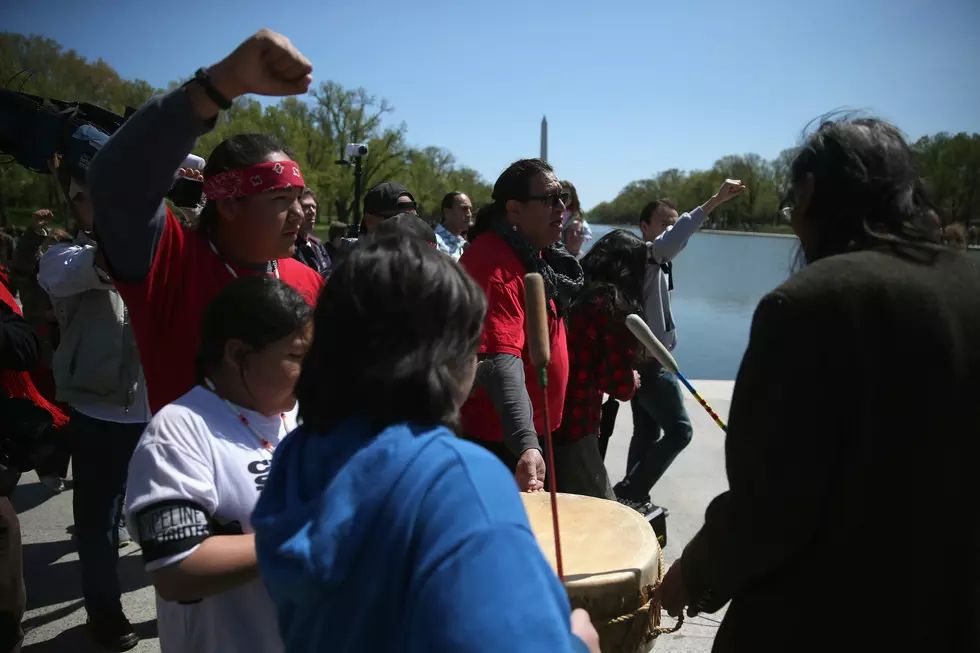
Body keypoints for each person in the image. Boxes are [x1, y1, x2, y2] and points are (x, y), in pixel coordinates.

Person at [658, 117, 980, 653]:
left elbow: (771, 504)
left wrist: (692, 576)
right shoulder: (969, 284)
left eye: (791, 207)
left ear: (810, 193)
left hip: (827, 620)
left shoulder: (810, 304)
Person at [251, 237, 600, 653]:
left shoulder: (298, 454)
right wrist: (580, 643)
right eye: (476, 346)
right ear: (449, 359)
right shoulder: (457, 479)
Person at [88, 28, 323, 414]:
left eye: (299, 198)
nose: (299, 213)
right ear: (229, 205)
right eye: (281, 199)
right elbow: (115, 184)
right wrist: (220, 85)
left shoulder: (308, 281)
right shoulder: (171, 265)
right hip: (191, 471)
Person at [124, 274, 312, 653]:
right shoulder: (179, 431)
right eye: (294, 357)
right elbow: (177, 569)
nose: (309, 371)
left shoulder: (296, 416)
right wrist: (315, 536)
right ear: (238, 354)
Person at [37, 130, 151, 652]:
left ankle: (185, 601)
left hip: (163, 408)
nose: (96, 204)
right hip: (99, 411)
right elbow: (92, 269)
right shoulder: (63, 257)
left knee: (170, 511)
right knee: (97, 523)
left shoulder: (163, 241)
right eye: (85, 196)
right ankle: (104, 612)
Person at [614, 182, 744, 514]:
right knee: (681, 430)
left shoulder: (655, 261)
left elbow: (679, 239)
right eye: (664, 224)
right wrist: (715, 200)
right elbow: (683, 232)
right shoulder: (648, 255)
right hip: (651, 363)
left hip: (642, 359)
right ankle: (631, 488)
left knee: (646, 431)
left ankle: (632, 499)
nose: (672, 230)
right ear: (644, 227)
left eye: (673, 222)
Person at [459, 159, 583, 491]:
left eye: (564, 197)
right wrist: (526, 443)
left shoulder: (533, 253)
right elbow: (500, 361)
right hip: (500, 443)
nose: (562, 207)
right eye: (550, 199)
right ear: (514, 210)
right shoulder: (493, 264)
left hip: (533, 433)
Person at [552, 230, 646, 499]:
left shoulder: (569, 289)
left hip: (544, 415)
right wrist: (632, 380)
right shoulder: (610, 307)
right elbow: (616, 382)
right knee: (601, 510)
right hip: (576, 423)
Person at [291, 188, 331, 277]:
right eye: (306, 207)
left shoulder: (318, 245)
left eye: (314, 207)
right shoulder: (290, 248)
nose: (312, 211)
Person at [435, 191, 472, 260]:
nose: (469, 214)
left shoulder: (466, 246)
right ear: (447, 213)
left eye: (470, 209)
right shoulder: (433, 243)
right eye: (464, 209)